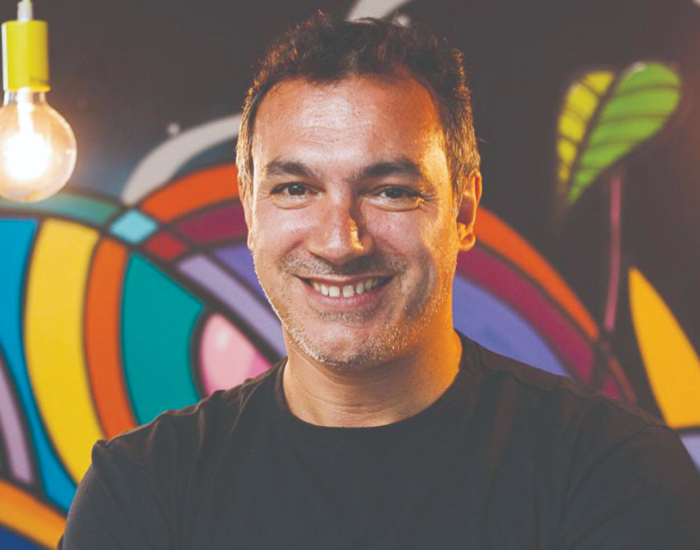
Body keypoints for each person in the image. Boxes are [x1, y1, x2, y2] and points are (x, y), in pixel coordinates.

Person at [59, 12, 700, 549]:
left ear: (464, 213)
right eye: (295, 189)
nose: (341, 241)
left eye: (391, 190)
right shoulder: (142, 489)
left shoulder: (612, 472)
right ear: (250, 213)